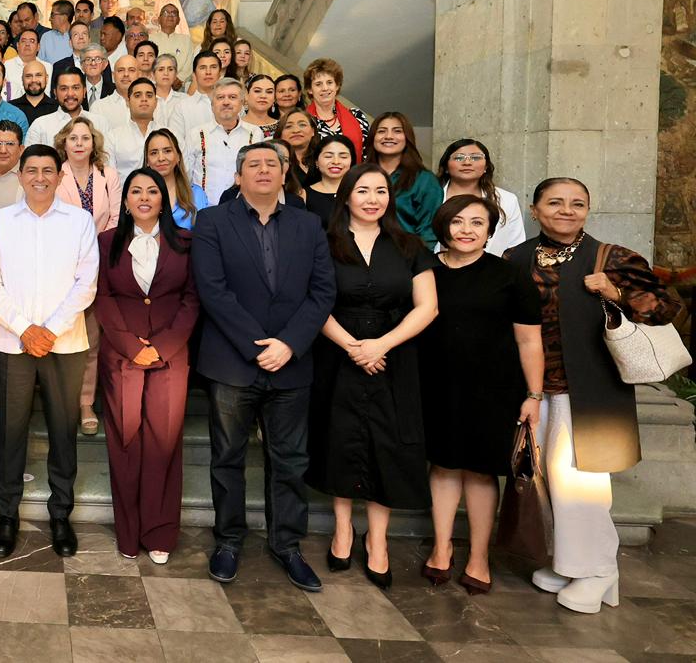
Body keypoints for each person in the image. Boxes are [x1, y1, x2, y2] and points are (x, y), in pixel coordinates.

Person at [506, 178, 681, 613]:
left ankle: (599, 572)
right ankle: (572, 564)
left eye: (577, 203)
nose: (566, 210)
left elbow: (666, 309)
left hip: (590, 387)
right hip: (535, 386)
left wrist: (614, 292)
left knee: (580, 482)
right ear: (534, 209)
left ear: (587, 210)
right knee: (547, 479)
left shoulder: (612, 257)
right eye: (555, 202)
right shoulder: (517, 257)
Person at [191, 143, 336, 588]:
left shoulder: (308, 224)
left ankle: (287, 545)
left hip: (291, 363)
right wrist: (257, 347)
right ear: (238, 176)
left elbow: (322, 291)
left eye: (271, 163)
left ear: (284, 173)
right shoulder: (212, 221)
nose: (263, 170)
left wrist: (289, 344)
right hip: (233, 362)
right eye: (253, 164)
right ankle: (228, 541)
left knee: (289, 461)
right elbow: (212, 290)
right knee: (227, 458)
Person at [307, 164, 438, 590]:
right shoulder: (324, 243)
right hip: (337, 352)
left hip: (395, 355)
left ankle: (377, 539)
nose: (372, 198)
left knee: (386, 444)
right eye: (362, 190)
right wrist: (353, 347)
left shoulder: (409, 245)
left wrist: (381, 345)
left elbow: (428, 306)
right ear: (345, 196)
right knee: (340, 439)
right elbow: (313, 301)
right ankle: (343, 528)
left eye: (381, 191)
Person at [420, 194, 544, 594]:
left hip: (493, 388)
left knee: (480, 470)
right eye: (457, 221)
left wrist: (534, 395)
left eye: (477, 223)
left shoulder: (509, 275)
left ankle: (478, 556)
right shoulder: (424, 271)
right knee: (442, 466)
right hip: (436, 384)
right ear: (443, 226)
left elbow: (529, 340)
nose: (466, 230)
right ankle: (441, 548)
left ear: (489, 231)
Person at [0, 144, 99, 560]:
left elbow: (86, 283)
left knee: (63, 431)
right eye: (31, 170)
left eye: (47, 170)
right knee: (9, 432)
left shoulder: (79, 221)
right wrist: (25, 328)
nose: (39, 177)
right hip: (12, 342)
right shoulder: (0, 221)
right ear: (20, 176)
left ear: (60, 176)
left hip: (64, 343)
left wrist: (49, 330)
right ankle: (7, 516)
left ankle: (60, 514)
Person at [95, 167, 198, 563]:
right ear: (125, 201)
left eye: (151, 191)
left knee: (163, 444)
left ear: (162, 200)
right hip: (122, 356)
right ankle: (128, 533)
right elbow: (102, 296)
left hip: (170, 356)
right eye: (135, 191)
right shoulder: (107, 242)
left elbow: (192, 298)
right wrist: (128, 345)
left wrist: (164, 346)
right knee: (125, 442)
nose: (143, 197)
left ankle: (159, 532)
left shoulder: (186, 242)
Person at [54, 115, 122, 436]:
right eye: (73, 138)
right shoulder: (55, 174)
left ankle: (85, 403)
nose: (79, 143)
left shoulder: (108, 175)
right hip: (62, 267)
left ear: (94, 143)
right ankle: (61, 402)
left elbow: (117, 220)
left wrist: (95, 255)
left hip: (101, 266)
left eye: (85, 138)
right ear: (63, 144)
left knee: (92, 339)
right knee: (63, 335)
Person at [437, 138, 526, 255]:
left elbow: (516, 246)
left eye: (475, 157)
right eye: (459, 158)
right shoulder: (429, 197)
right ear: (446, 167)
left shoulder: (507, 200)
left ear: (486, 167)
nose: (467, 162)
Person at [365, 112, 441, 248]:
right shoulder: (359, 176)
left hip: (407, 254)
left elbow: (429, 230)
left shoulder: (424, 180)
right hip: (361, 253)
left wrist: (417, 257)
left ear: (407, 137)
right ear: (372, 137)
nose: (389, 136)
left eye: (397, 131)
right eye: (381, 131)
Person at [184, 78, 266, 202]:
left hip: (243, 208)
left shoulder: (254, 133)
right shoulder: (196, 134)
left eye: (232, 97)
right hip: (204, 209)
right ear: (212, 104)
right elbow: (186, 176)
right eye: (220, 97)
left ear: (242, 103)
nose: (226, 102)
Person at [144, 128, 208, 228]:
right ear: (147, 160)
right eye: (154, 153)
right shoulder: (139, 196)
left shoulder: (196, 194)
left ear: (178, 156)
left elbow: (205, 234)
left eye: (167, 151)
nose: (161, 158)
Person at [303, 58, 368, 152]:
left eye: (329, 82)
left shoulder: (357, 116)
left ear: (337, 86)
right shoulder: (302, 120)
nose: (325, 88)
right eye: (318, 84)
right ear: (309, 89)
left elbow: (367, 154)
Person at [27, 67, 102, 147]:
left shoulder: (99, 123)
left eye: (75, 88)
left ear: (84, 91)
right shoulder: (40, 126)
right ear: (55, 93)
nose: (70, 94)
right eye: (64, 89)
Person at [104, 77, 164, 174]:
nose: (144, 99)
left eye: (149, 95)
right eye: (137, 95)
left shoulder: (170, 135)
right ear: (128, 102)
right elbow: (109, 176)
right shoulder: (113, 138)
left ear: (156, 102)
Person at [304, 135, 355, 222]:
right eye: (328, 156)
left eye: (343, 157)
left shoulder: (362, 191)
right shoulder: (303, 195)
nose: (336, 162)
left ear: (351, 161)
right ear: (316, 161)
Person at [275, 107, 319, 188]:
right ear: (280, 133)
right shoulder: (273, 160)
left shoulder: (322, 158)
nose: (296, 130)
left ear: (313, 131)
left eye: (302, 125)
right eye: (288, 126)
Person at [13, 60, 58, 125]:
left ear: (47, 78)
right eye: (28, 76)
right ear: (22, 79)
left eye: (38, 75)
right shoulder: (11, 108)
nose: (34, 80)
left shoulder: (58, 108)